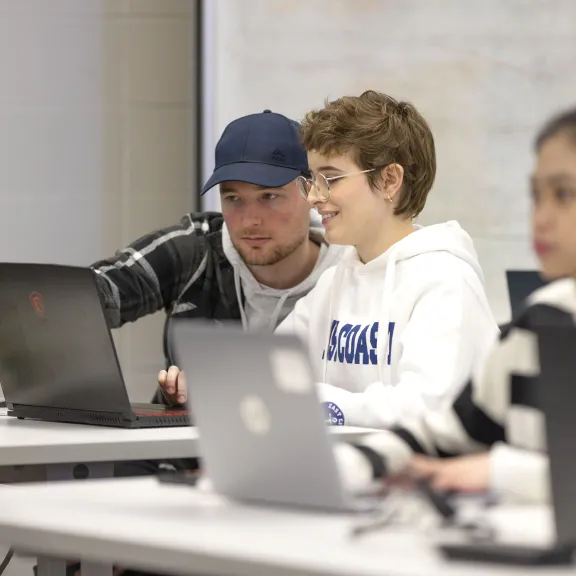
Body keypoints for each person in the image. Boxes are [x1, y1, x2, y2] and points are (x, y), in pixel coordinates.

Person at [334, 106, 576, 504]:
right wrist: (344, 467)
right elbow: (444, 433)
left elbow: (490, 466)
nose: (541, 217)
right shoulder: (541, 324)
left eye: (563, 194)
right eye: (536, 195)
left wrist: (498, 472)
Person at [273, 90, 498, 429]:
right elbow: (270, 370)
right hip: (348, 472)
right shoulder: (336, 281)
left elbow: (427, 409)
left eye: (330, 179)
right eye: (312, 180)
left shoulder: (445, 281)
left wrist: (318, 402)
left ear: (390, 180)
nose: (315, 198)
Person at [92, 110, 345, 405]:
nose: (250, 220)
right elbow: (87, 296)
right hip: (187, 449)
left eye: (269, 197)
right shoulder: (195, 251)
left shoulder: (350, 275)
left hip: (311, 448)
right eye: (233, 198)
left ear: (311, 191)